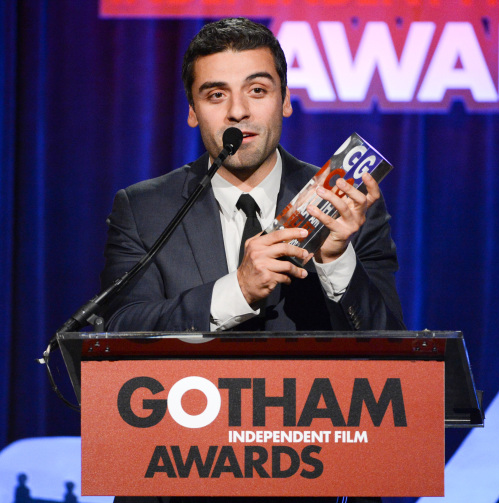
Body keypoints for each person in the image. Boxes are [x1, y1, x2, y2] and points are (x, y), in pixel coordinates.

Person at [103, 17, 404, 503]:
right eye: (216, 95)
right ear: (193, 112)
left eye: (257, 90)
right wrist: (235, 292)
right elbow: (118, 333)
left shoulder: (347, 204)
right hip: (180, 478)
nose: (238, 111)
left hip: (317, 479)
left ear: (285, 100)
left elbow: (390, 351)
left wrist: (337, 260)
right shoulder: (143, 208)